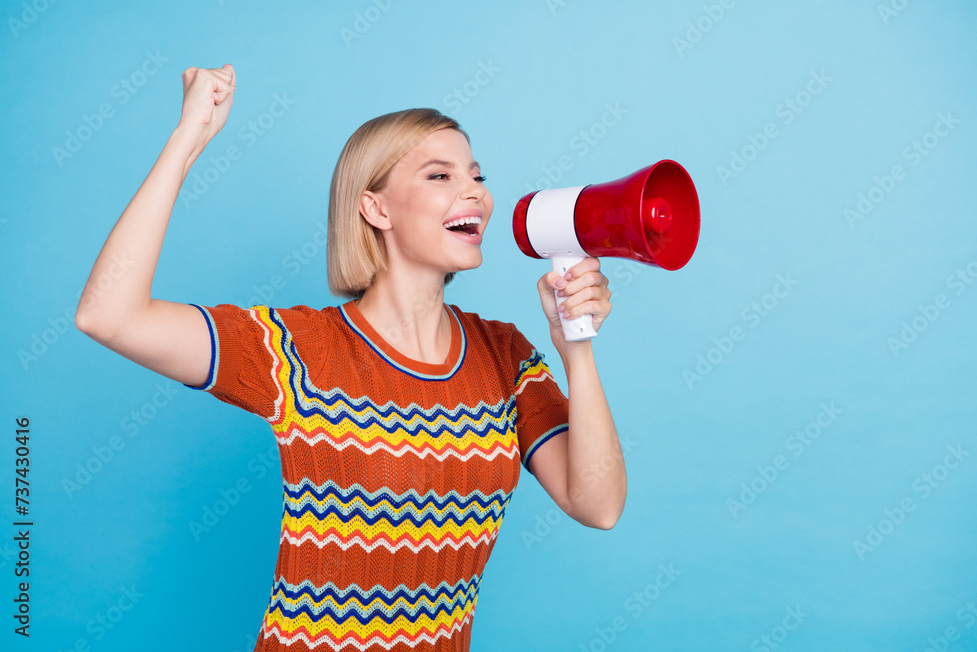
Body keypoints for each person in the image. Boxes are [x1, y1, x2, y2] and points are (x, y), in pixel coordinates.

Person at [75, 63, 627, 651]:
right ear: (376, 210)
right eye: (440, 175)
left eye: (476, 175)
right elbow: (107, 315)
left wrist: (578, 352)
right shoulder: (296, 351)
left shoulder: (506, 356)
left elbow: (598, 504)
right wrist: (188, 137)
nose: (476, 192)